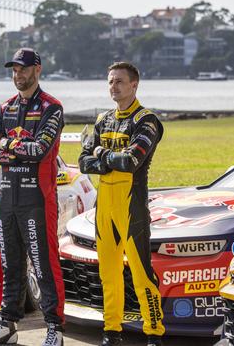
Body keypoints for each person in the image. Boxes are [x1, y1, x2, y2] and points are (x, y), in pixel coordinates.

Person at [0, 48, 65, 346]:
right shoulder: (4, 108)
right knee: (9, 264)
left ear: (37, 70)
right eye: (14, 69)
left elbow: (40, 149)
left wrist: (6, 143)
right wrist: (13, 144)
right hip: (6, 198)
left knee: (43, 264)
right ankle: (7, 325)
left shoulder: (52, 107)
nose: (18, 74)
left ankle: (55, 328)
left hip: (37, 199)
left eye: (23, 69)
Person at [79, 62, 165, 346]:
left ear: (134, 85)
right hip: (104, 207)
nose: (113, 86)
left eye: (119, 81)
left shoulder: (147, 119)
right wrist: (106, 159)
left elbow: (131, 161)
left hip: (132, 208)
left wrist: (101, 152)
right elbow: (82, 162)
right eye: (110, 81)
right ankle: (111, 332)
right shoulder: (103, 120)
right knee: (108, 273)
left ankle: (154, 334)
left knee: (141, 273)